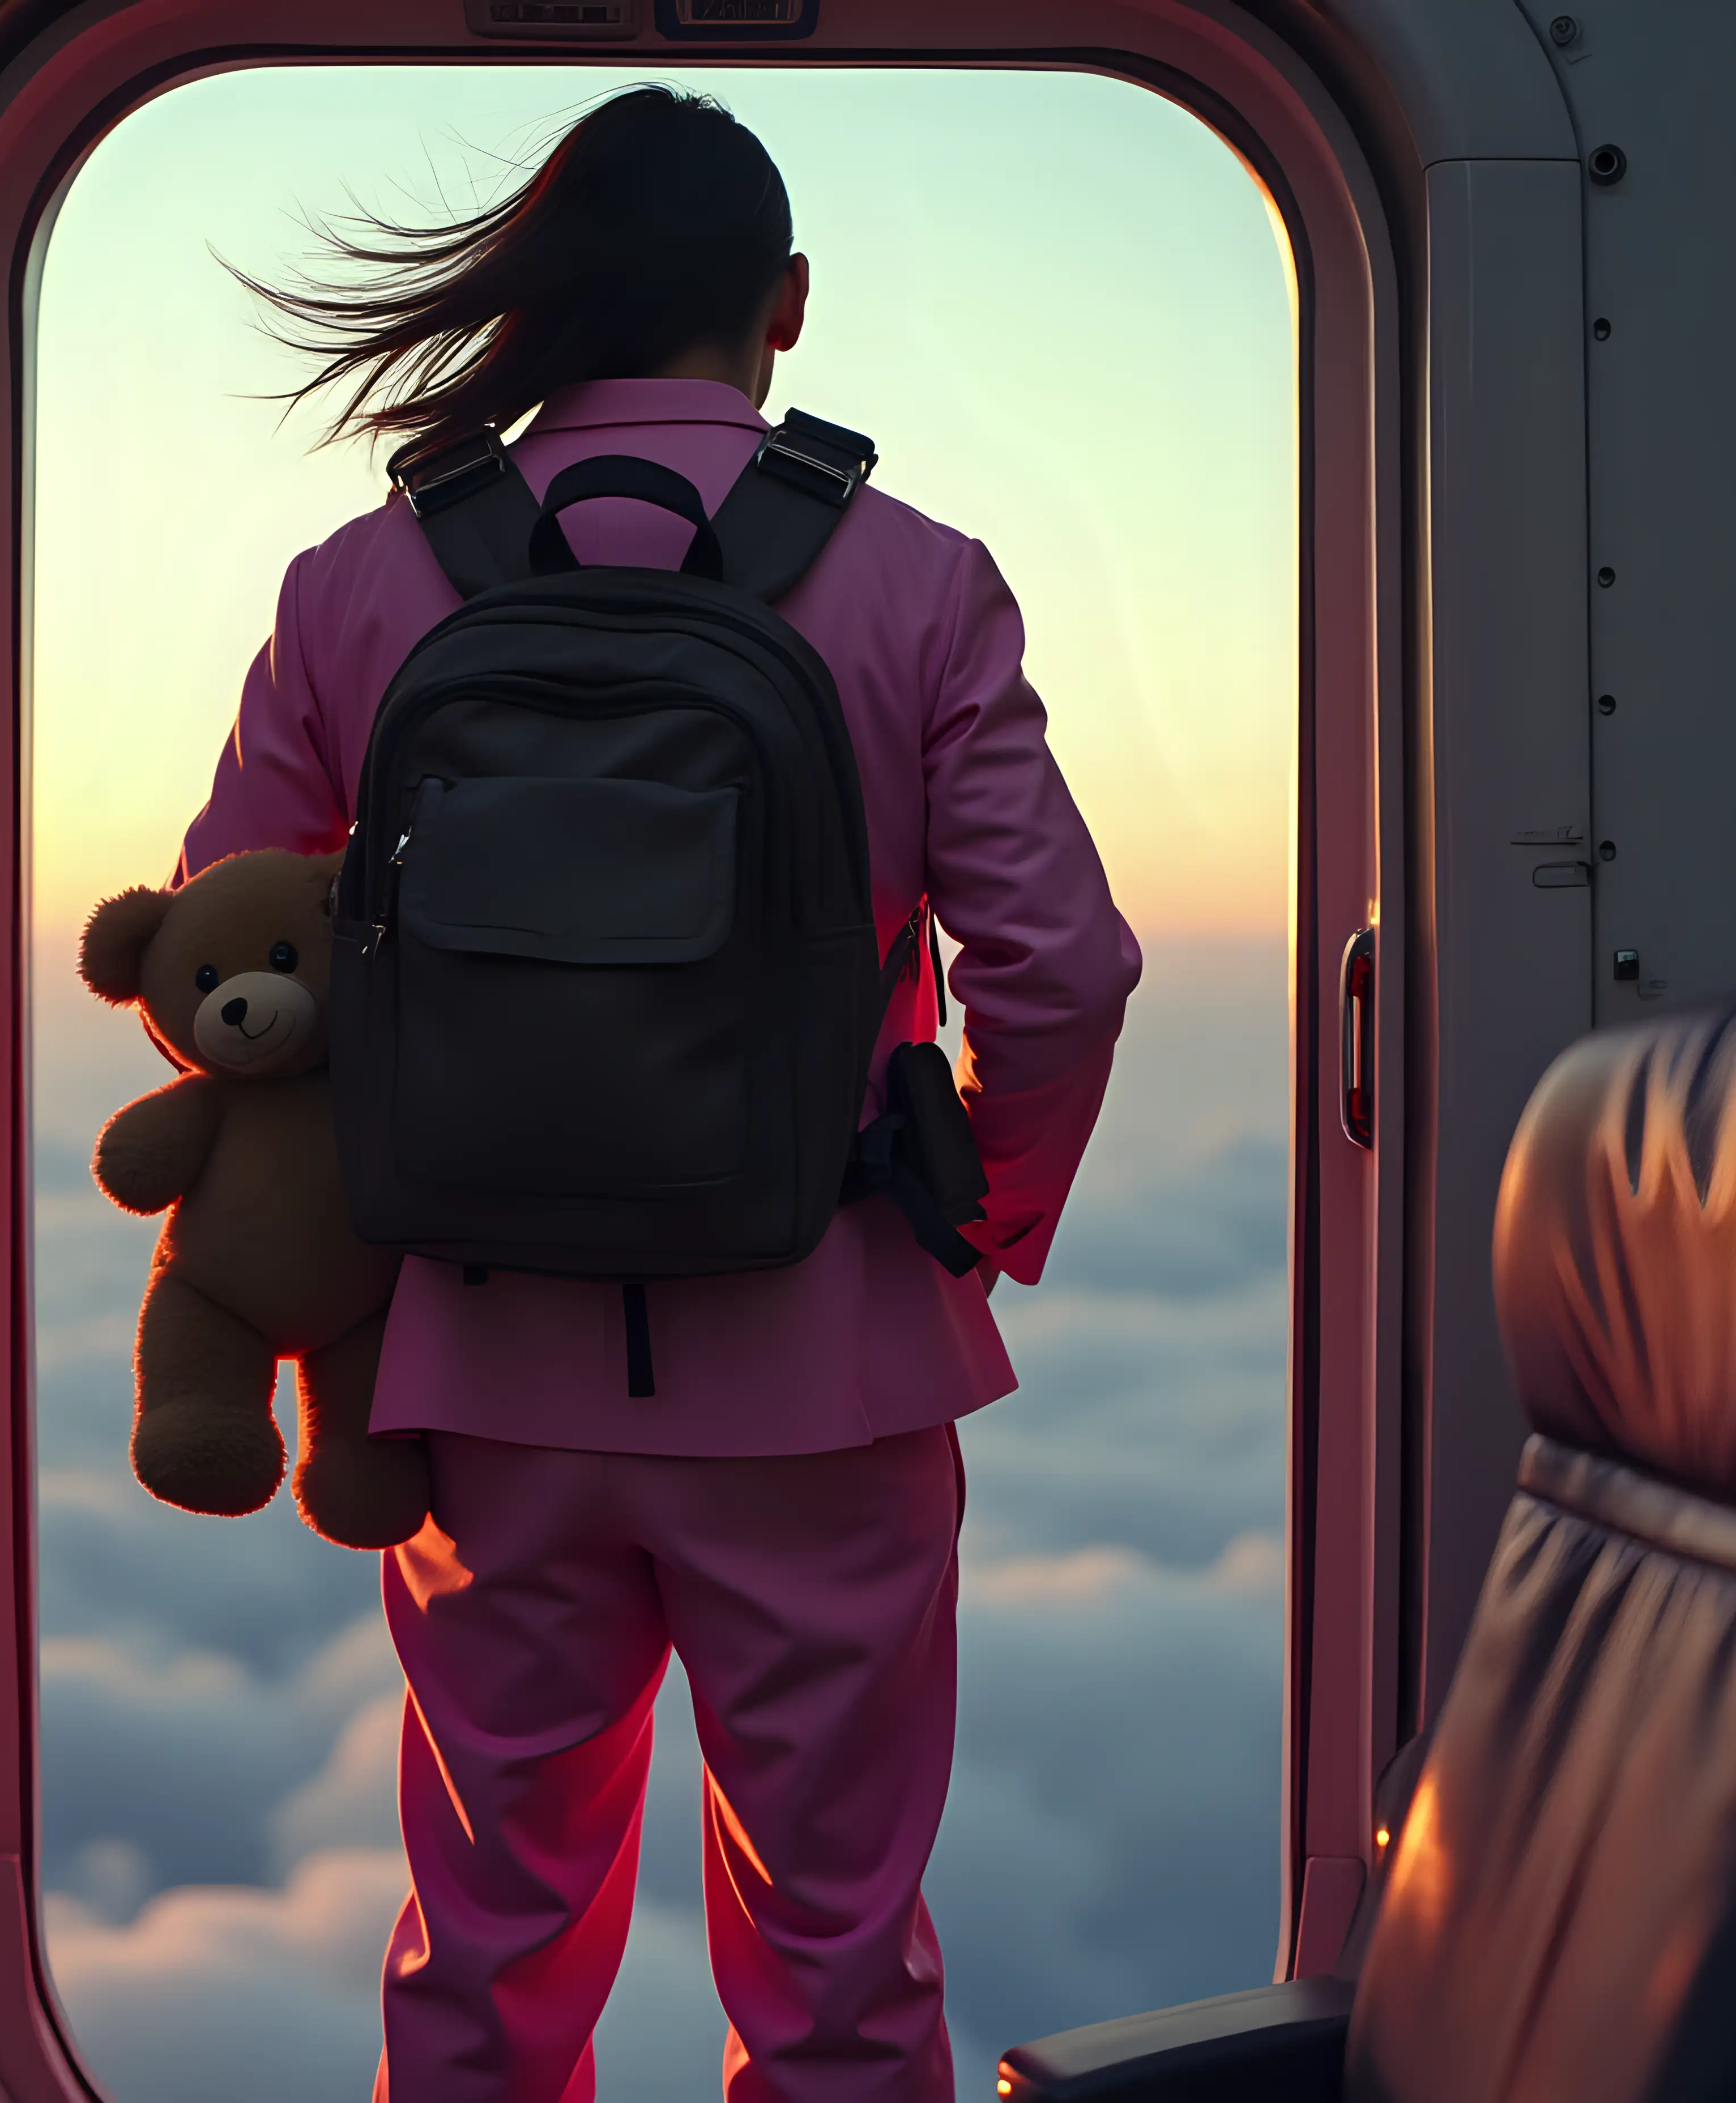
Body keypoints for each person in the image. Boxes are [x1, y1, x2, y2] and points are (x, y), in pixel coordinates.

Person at [182, 86, 1140, 2103]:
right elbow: (1063, 969)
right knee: (834, 1952)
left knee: (489, 1942)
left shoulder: (363, 583)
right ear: (782, 305)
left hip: (479, 1371)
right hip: (830, 1363)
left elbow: (223, 951)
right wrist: (982, 1215)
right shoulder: (919, 578)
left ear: (540, 308)